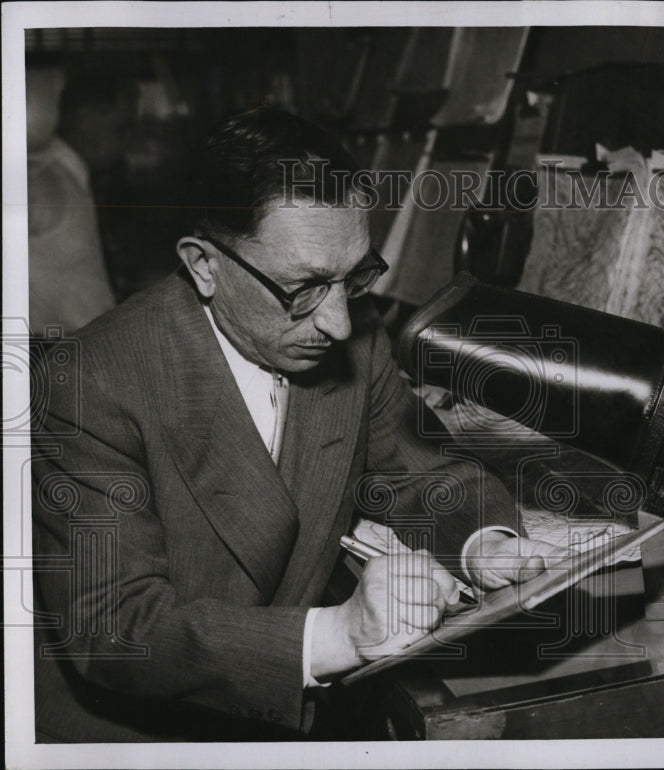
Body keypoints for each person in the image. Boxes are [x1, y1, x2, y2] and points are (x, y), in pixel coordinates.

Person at [31, 105, 565, 742]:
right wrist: (337, 634)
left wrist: (486, 548)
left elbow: (421, 471)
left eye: (355, 277)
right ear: (205, 265)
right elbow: (119, 627)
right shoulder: (87, 383)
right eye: (304, 287)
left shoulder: (355, 339)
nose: (339, 322)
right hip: (144, 734)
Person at [26, 63, 116, 334]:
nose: (127, 141)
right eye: (122, 127)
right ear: (85, 118)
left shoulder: (68, 175)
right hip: (54, 353)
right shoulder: (43, 180)